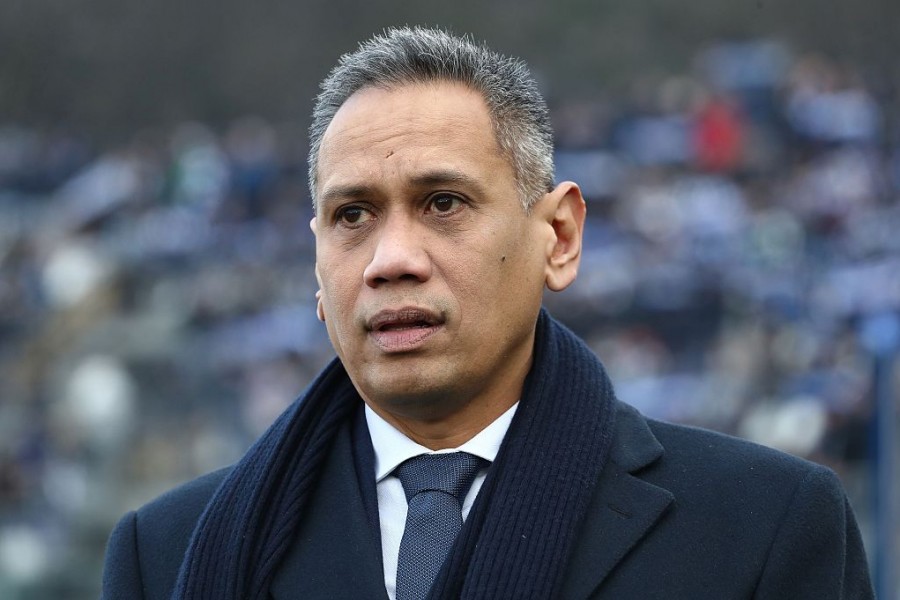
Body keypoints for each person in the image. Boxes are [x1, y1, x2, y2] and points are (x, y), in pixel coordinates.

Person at [101, 27, 873, 600]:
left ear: (559, 238)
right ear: (317, 266)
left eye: (443, 203)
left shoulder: (762, 527)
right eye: (352, 216)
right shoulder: (166, 554)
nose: (390, 259)